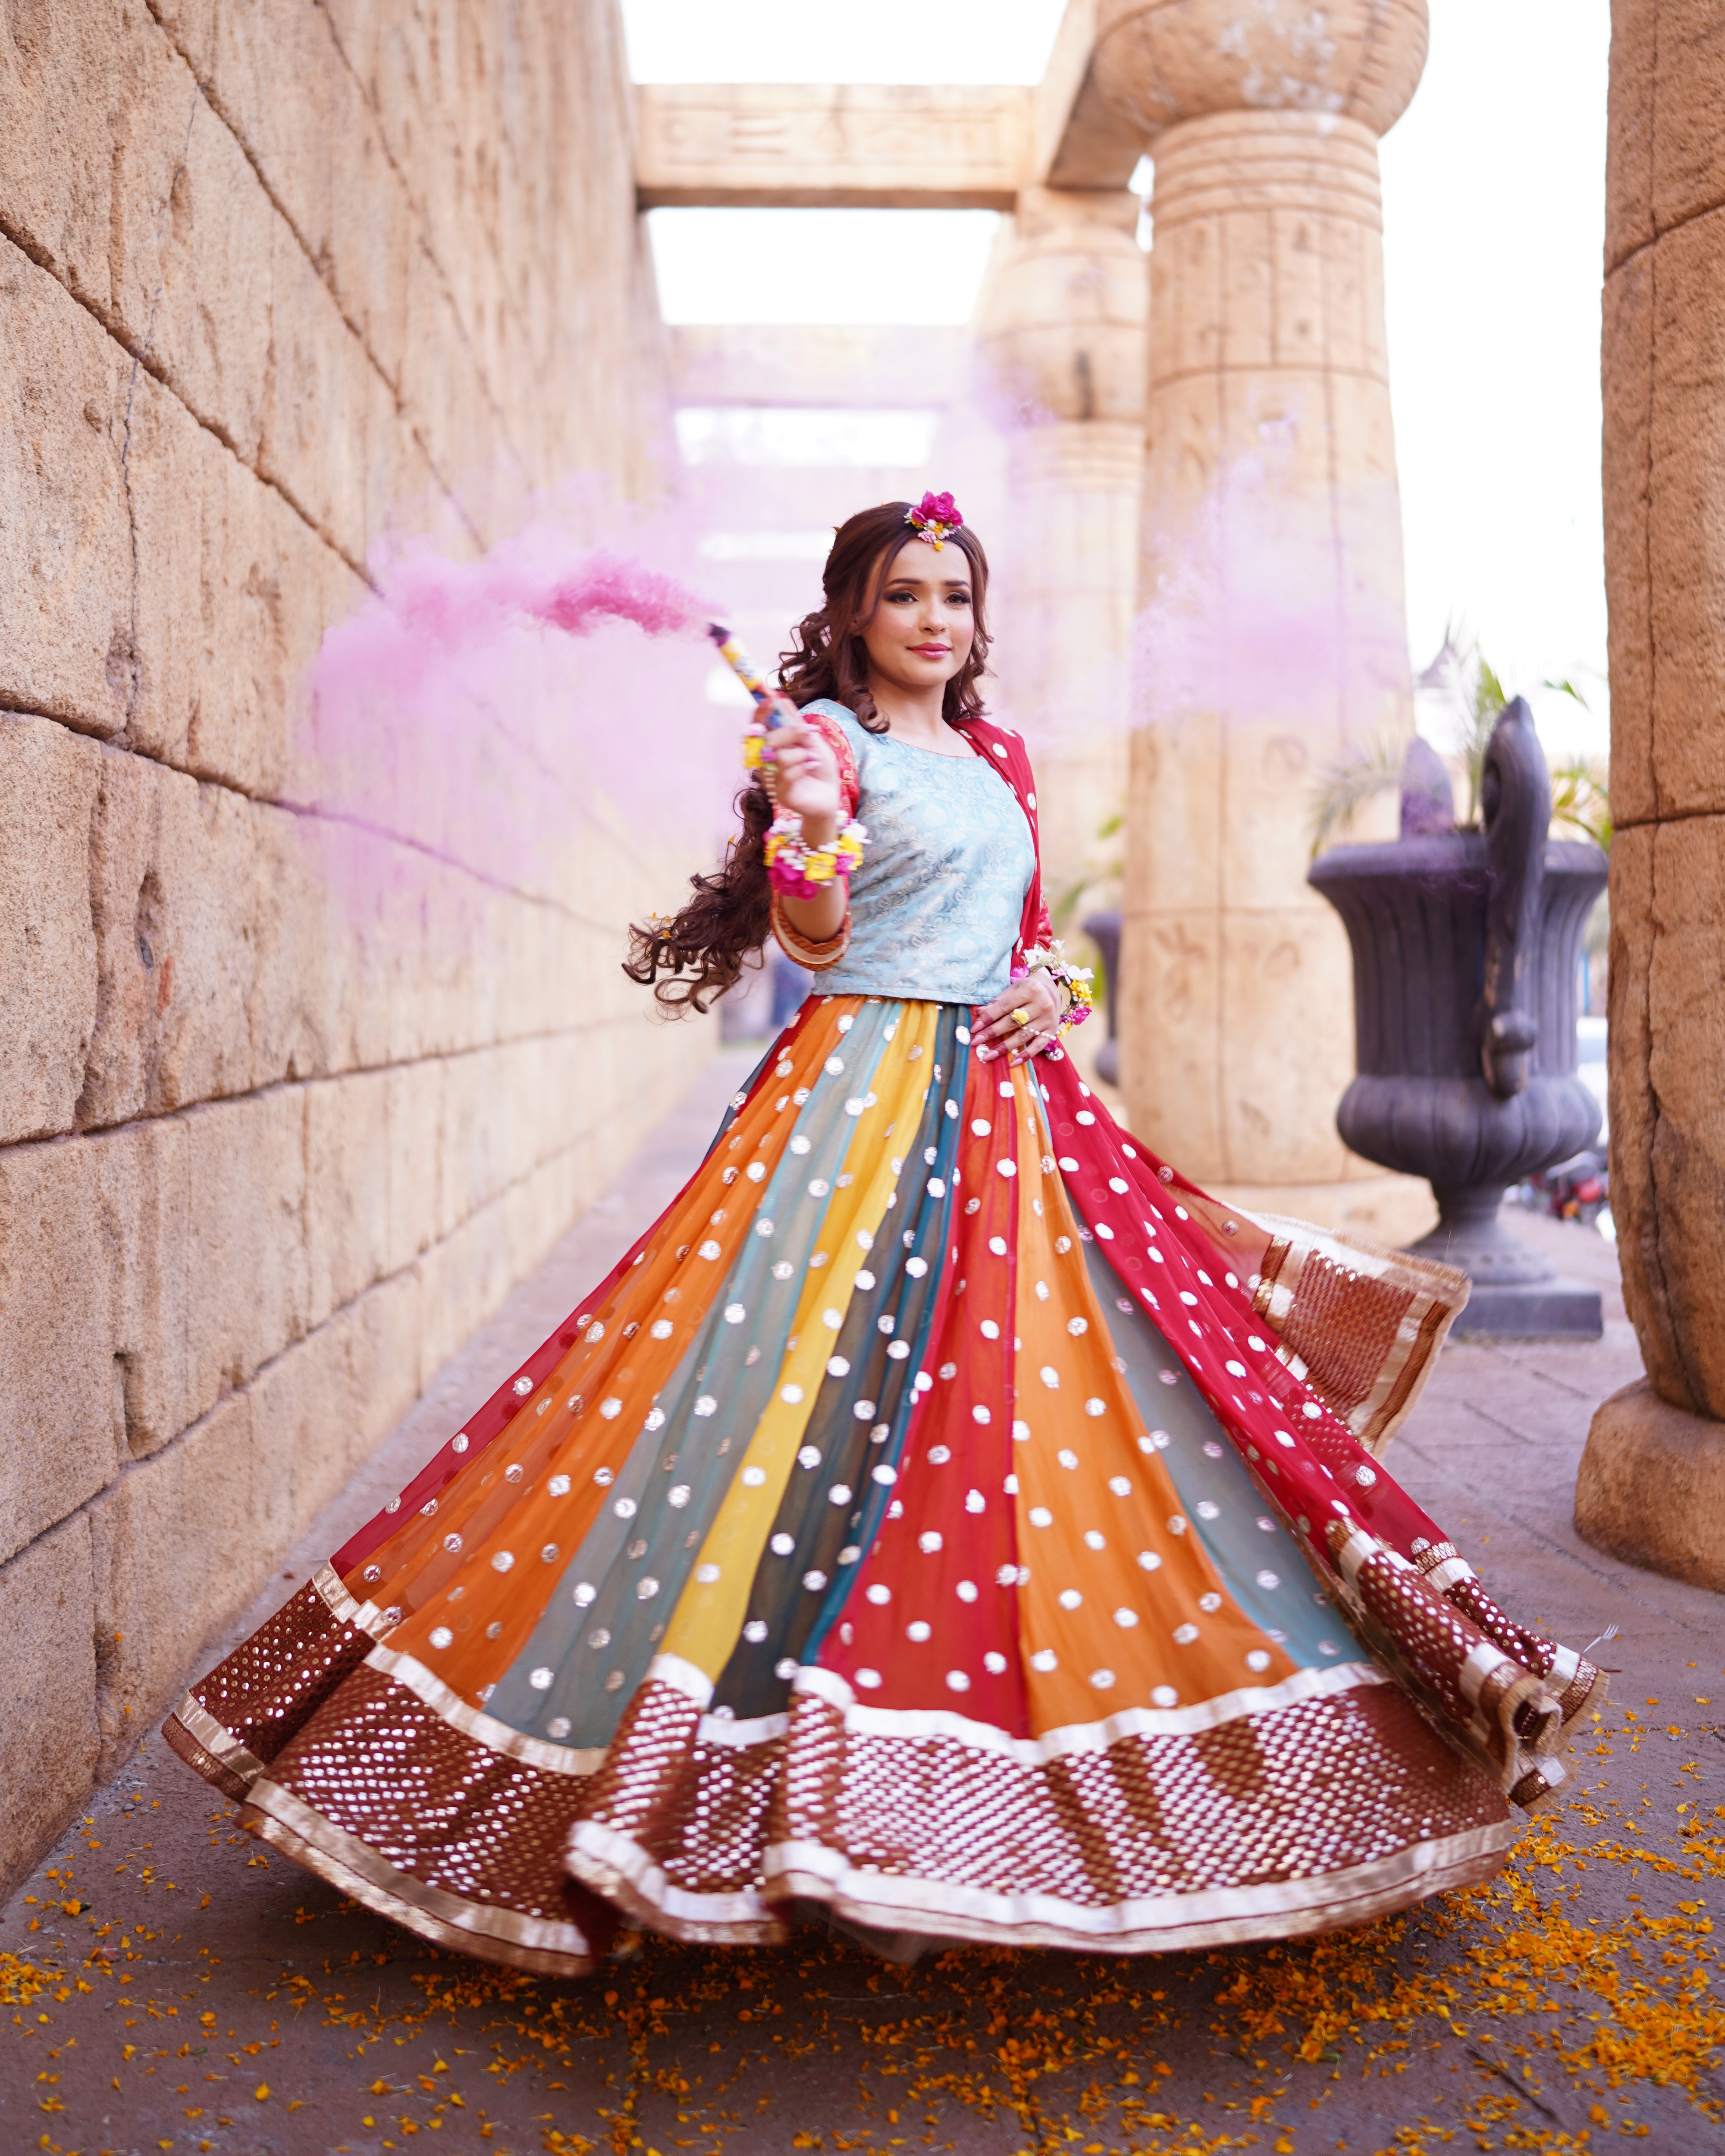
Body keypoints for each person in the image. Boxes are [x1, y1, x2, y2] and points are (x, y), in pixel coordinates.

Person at [166, 495, 1603, 1974]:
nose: (934, 616)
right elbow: (812, 939)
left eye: (955, 594)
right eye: (903, 592)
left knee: (1050, 1406)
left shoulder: (1001, 757)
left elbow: (1032, 931)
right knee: (774, 1406)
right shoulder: (825, 747)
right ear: (852, 612)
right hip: (852, 1107)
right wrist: (804, 822)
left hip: (1014, 1116)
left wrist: (1064, 993)